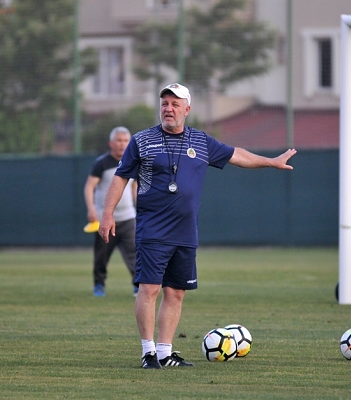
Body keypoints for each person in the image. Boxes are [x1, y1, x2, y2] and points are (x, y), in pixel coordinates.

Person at [99, 83, 296, 369]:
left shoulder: (201, 141)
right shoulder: (142, 140)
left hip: (185, 230)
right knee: (149, 289)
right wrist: (107, 214)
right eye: (164, 103)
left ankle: (165, 353)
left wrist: (271, 162)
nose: (168, 109)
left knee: (176, 292)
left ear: (187, 109)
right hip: (153, 229)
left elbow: (237, 155)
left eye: (175, 104)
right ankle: (148, 353)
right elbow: (121, 178)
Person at [84, 126, 138, 297]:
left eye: (126, 141)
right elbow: (89, 187)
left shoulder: (133, 162)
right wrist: (91, 209)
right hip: (105, 219)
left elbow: (135, 188)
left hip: (128, 218)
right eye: (119, 140)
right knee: (101, 256)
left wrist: (142, 209)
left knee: (135, 253)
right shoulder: (101, 163)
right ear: (111, 143)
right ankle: (99, 285)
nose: (122, 144)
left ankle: (138, 285)